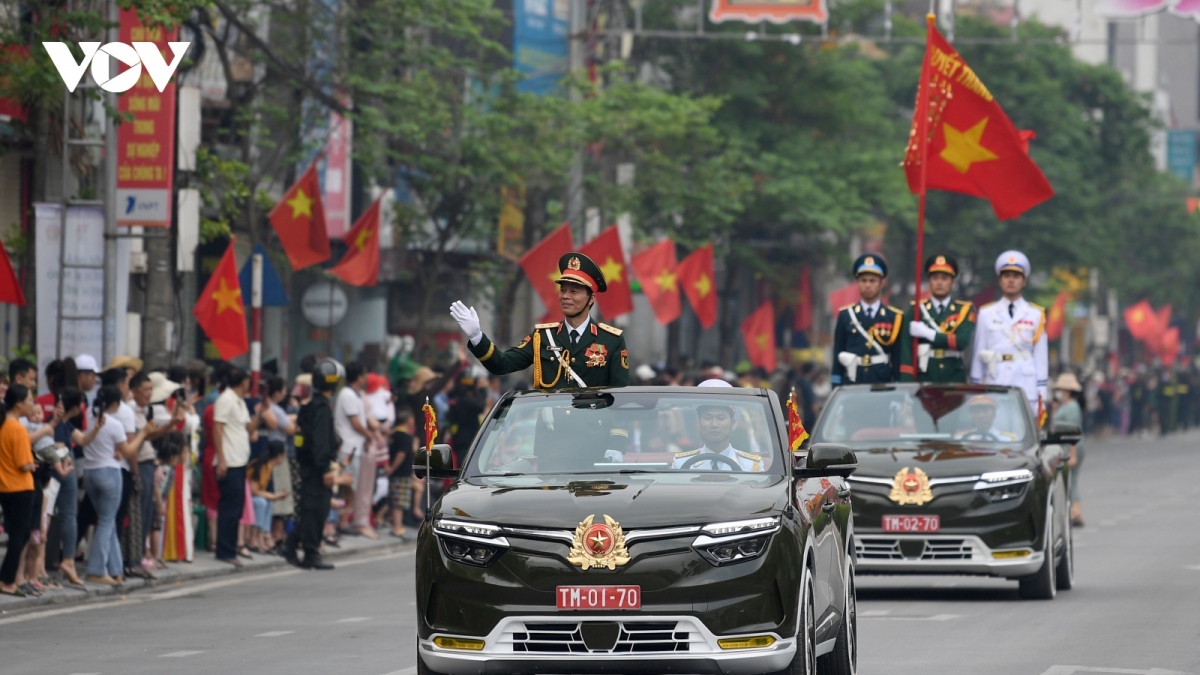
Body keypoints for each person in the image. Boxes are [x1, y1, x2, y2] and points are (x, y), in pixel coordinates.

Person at [451, 252, 631, 390]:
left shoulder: (611, 340)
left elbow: (620, 395)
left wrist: (616, 437)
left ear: (591, 299)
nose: (566, 296)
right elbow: (502, 364)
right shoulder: (542, 337)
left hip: (594, 434)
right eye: (563, 290)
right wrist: (477, 336)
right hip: (550, 435)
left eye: (574, 291)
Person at [81, 386, 147, 586]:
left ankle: (116, 570)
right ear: (115, 404)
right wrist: (143, 433)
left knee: (106, 522)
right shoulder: (114, 423)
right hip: (110, 472)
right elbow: (127, 451)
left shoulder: (89, 420)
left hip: (90, 472)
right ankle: (97, 570)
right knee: (106, 522)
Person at [970, 251, 1049, 412]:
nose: (1011, 280)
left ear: (1024, 281)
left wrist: (1042, 391)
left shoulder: (1035, 314)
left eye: (1016, 276)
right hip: (996, 380)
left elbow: (1040, 357)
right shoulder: (986, 314)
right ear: (1000, 281)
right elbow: (979, 353)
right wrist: (975, 389)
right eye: (1006, 276)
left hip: (1026, 385)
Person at [284, 358, 341, 570]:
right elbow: (320, 441)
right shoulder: (322, 409)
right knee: (316, 510)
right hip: (318, 469)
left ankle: (297, 548)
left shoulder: (311, 406)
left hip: (308, 466)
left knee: (312, 509)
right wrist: (325, 468)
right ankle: (309, 552)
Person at [211, 367, 265, 567]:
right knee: (229, 508)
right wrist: (222, 459)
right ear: (243, 382)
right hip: (230, 460)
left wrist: (258, 416)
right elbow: (218, 428)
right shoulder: (226, 400)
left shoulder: (239, 401)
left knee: (237, 507)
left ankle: (231, 547)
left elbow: (247, 428)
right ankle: (224, 550)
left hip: (240, 459)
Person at [900, 254, 975, 383]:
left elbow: (961, 342)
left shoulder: (964, 310)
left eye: (944, 278)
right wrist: (908, 385)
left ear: (952, 283)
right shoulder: (916, 311)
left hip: (954, 375)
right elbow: (906, 352)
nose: (939, 282)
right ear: (929, 282)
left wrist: (928, 333)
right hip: (925, 375)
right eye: (935, 278)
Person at [832, 254, 903, 386]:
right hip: (853, 380)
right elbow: (838, 352)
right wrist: (836, 383)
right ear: (858, 283)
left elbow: (897, 357)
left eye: (872, 281)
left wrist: (899, 386)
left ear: (881, 283)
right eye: (863, 280)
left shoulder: (893, 317)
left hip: (882, 381)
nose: (868, 285)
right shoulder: (846, 315)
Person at [672, 381, 766, 472]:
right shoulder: (681, 464)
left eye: (721, 418)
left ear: (733, 423)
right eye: (707, 418)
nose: (714, 425)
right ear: (699, 422)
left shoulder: (751, 466)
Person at [334, 362, 382, 539]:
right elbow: (355, 422)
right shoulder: (347, 394)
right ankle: (341, 522)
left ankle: (345, 520)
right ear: (359, 377)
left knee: (352, 487)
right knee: (347, 486)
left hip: (356, 447)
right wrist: (370, 435)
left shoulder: (356, 395)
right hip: (348, 447)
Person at [0, 384, 37, 596]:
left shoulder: (4, 425)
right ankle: (6, 580)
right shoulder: (18, 429)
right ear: (18, 403)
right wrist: (33, 464)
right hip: (20, 487)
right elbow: (24, 464)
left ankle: (7, 577)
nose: (32, 404)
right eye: (30, 400)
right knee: (20, 536)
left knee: (17, 534)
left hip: (5, 486)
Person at [1052, 372, 1086, 527]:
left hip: (1072, 446)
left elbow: (1073, 432)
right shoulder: (1066, 406)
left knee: (1071, 480)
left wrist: (1073, 455)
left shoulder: (1071, 407)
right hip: (1066, 446)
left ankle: (1076, 511)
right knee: (1070, 480)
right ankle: (1075, 511)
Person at [247, 441, 289, 553]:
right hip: (246, 497)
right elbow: (253, 490)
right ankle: (254, 538)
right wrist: (273, 496)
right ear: (279, 456)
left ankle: (264, 534)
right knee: (262, 502)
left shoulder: (268, 467)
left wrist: (275, 497)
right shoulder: (260, 466)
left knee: (268, 502)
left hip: (255, 496)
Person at [386, 407, 417, 538]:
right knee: (399, 501)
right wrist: (393, 467)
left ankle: (396, 524)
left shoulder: (393, 435)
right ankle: (397, 527)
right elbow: (401, 454)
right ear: (408, 421)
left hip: (396, 472)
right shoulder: (406, 437)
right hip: (402, 472)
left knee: (396, 499)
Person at [953, 396, 1018, 441]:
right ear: (971, 415)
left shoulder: (1007, 439)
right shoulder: (961, 438)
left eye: (985, 411)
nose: (981, 415)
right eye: (976, 411)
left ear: (994, 414)